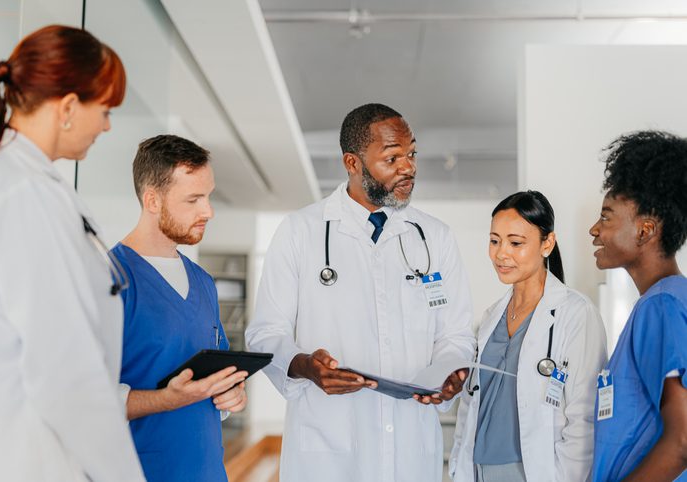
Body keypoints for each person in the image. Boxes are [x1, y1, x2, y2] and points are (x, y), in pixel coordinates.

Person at [246, 103, 475, 482]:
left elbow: (456, 334)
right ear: (352, 164)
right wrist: (305, 365)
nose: (409, 168)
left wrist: (450, 372)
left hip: (410, 450)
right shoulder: (300, 232)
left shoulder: (434, 238)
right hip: (328, 453)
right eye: (392, 158)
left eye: (412, 154)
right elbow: (265, 333)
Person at [0, 25, 144, 481]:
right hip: (27, 455)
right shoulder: (19, 191)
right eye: (103, 110)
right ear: (67, 107)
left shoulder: (20, 181)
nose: (106, 125)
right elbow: (64, 366)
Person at [112, 134, 248, 482]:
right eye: (194, 199)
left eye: (209, 195)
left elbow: (210, 377)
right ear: (153, 200)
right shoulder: (110, 279)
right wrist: (165, 400)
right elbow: (84, 397)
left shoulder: (202, 281)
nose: (209, 211)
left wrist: (229, 392)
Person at [449, 191, 607, 482]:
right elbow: (471, 404)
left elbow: (583, 417)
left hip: (534, 471)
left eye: (516, 243)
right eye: (494, 240)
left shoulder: (575, 314)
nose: (501, 253)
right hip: (479, 468)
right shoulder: (492, 317)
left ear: (547, 243)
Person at [590, 131, 687, 482]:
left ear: (646, 230)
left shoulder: (661, 305)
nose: (594, 229)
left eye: (606, 217)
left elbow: (682, 441)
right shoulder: (667, 300)